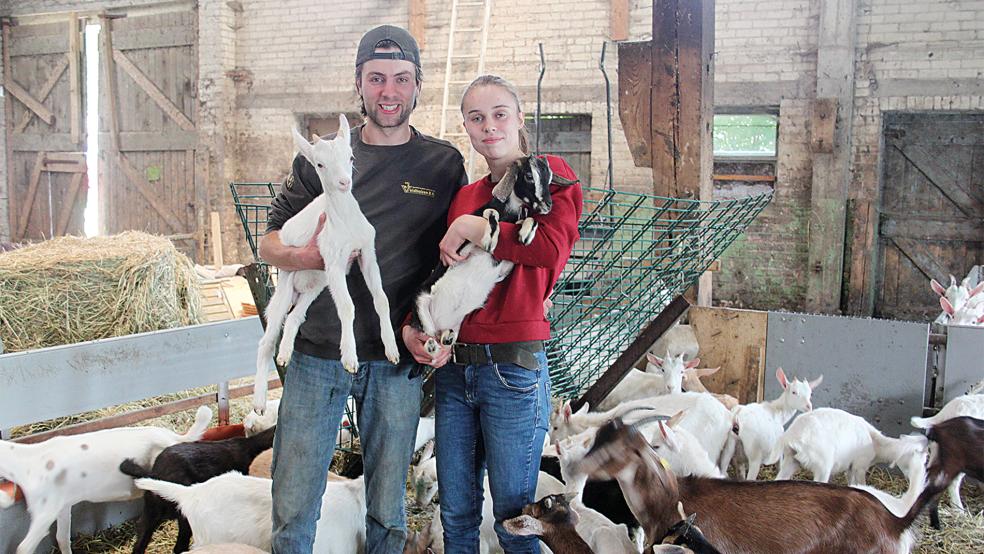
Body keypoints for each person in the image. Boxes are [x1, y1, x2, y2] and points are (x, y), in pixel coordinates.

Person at [258, 25, 467, 554]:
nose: (389, 91)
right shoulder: (324, 157)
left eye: (401, 79)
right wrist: (308, 257)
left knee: (388, 507)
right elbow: (269, 242)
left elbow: (448, 263)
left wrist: (429, 328)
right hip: (316, 353)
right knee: (294, 502)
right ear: (359, 84)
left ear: (419, 85)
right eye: (377, 78)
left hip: (395, 359)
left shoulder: (443, 165)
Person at [431, 75, 583, 553]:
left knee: (515, 518)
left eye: (500, 114)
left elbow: (550, 249)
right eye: (477, 118)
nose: (489, 126)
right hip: (456, 371)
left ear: (520, 120)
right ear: (466, 128)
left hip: (512, 368)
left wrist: (470, 226)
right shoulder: (467, 194)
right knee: (455, 511)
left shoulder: (550, 174)